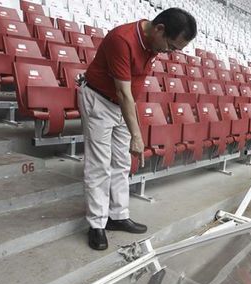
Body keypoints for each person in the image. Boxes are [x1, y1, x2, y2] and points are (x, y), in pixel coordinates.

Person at [78, 8, 197, 250]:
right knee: (99, 165)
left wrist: (132, 129)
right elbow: (122, 91)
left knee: (121, 163)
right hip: (99, 100)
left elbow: (128, 92)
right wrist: (137, 135)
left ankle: (118, 216)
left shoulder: (153, 43)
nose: (169, 52)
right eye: (172, 46)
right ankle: (97, 224)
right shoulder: (122, 40)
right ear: (159, 29)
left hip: (122, 104)